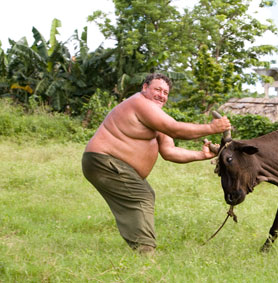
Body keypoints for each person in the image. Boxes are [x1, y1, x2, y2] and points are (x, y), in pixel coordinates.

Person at [81, 73, 231, 255]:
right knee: (142, 196)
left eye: (165, 92)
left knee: (145, 193)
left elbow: (170, 151)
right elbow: (174, 129)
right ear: (145, 88)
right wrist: (211, 128)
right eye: (157, 90)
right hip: (104, 160)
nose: (162, 95)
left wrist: (201, 154)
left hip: (108, 163)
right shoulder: (140, 103)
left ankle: (142, 248)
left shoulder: (156, 116)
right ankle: (146, 255)